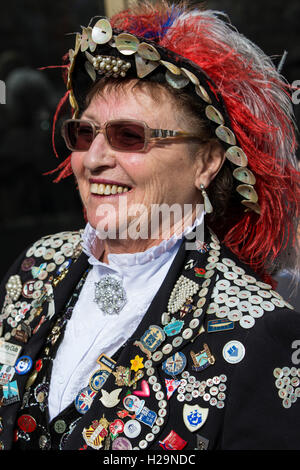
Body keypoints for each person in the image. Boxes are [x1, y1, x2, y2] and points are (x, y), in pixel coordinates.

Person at [0, 0, 299, 451]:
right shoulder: (36, 264)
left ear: (206, 161)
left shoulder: (258, 330)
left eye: (129, 136)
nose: (95, 159)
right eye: (85, 134)